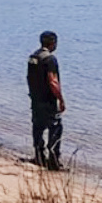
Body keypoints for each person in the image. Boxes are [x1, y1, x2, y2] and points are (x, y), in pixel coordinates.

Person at [27, 30, 66, 171]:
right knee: (55, 129)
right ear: (53, 43)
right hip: (48, 101)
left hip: (35, 99)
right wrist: (61, 99)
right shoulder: (50, 59)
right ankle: (53, 161)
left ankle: (39, 156)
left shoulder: (33, 57)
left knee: (37, 128)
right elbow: (53, 81)